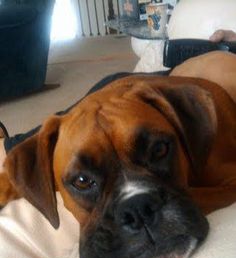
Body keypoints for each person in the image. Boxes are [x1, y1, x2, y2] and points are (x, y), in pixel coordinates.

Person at [1, 29, 236, 173]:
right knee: (113, 88)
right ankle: (11, 148)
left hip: (212, 84)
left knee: (116, 85)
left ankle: (8, 150)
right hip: (200, 69)